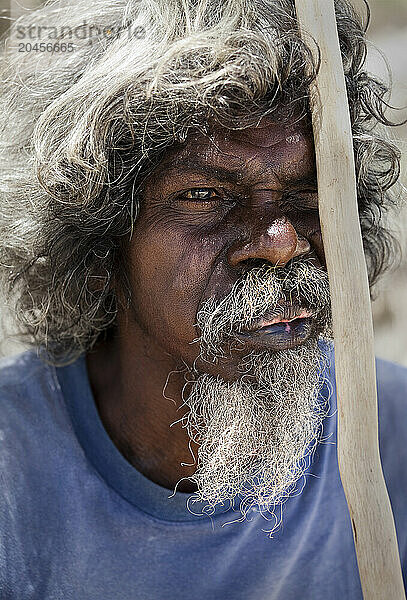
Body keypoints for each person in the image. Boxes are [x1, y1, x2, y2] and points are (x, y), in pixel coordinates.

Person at [0, 0, 406, 598]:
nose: (281, 242)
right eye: (203, 194)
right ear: (99, 241)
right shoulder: (13, 477)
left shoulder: (392, 434)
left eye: (307, 193)